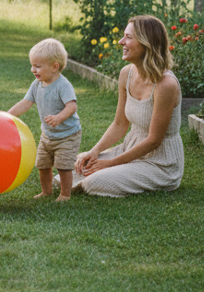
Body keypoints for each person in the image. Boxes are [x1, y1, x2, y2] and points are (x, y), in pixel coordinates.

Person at [72, 15, 184, 196]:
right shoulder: (126, 74)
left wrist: (110, 163)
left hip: (160, 163)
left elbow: (154, 140)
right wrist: (95, 151)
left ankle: (107, 173)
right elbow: (120, 124)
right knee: (78, 164)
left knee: (94, 181)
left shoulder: (166, 85)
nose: (120, 41)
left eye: (128, 37)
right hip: (131, 148)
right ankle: (102, 169)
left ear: (147, 43)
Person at [7, 38, 81, 201]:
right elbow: (25, 103)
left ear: (55, 66)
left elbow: (71, 107)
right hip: (47, 136)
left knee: (63, 167)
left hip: (67, 135)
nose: (33, 69)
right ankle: (46, 192)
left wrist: (59, 118)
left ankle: (65, 194)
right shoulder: (37, 84)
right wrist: (7, 116)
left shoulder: (63, 85)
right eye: (32, 65)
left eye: (38, 66)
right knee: (42, 165)